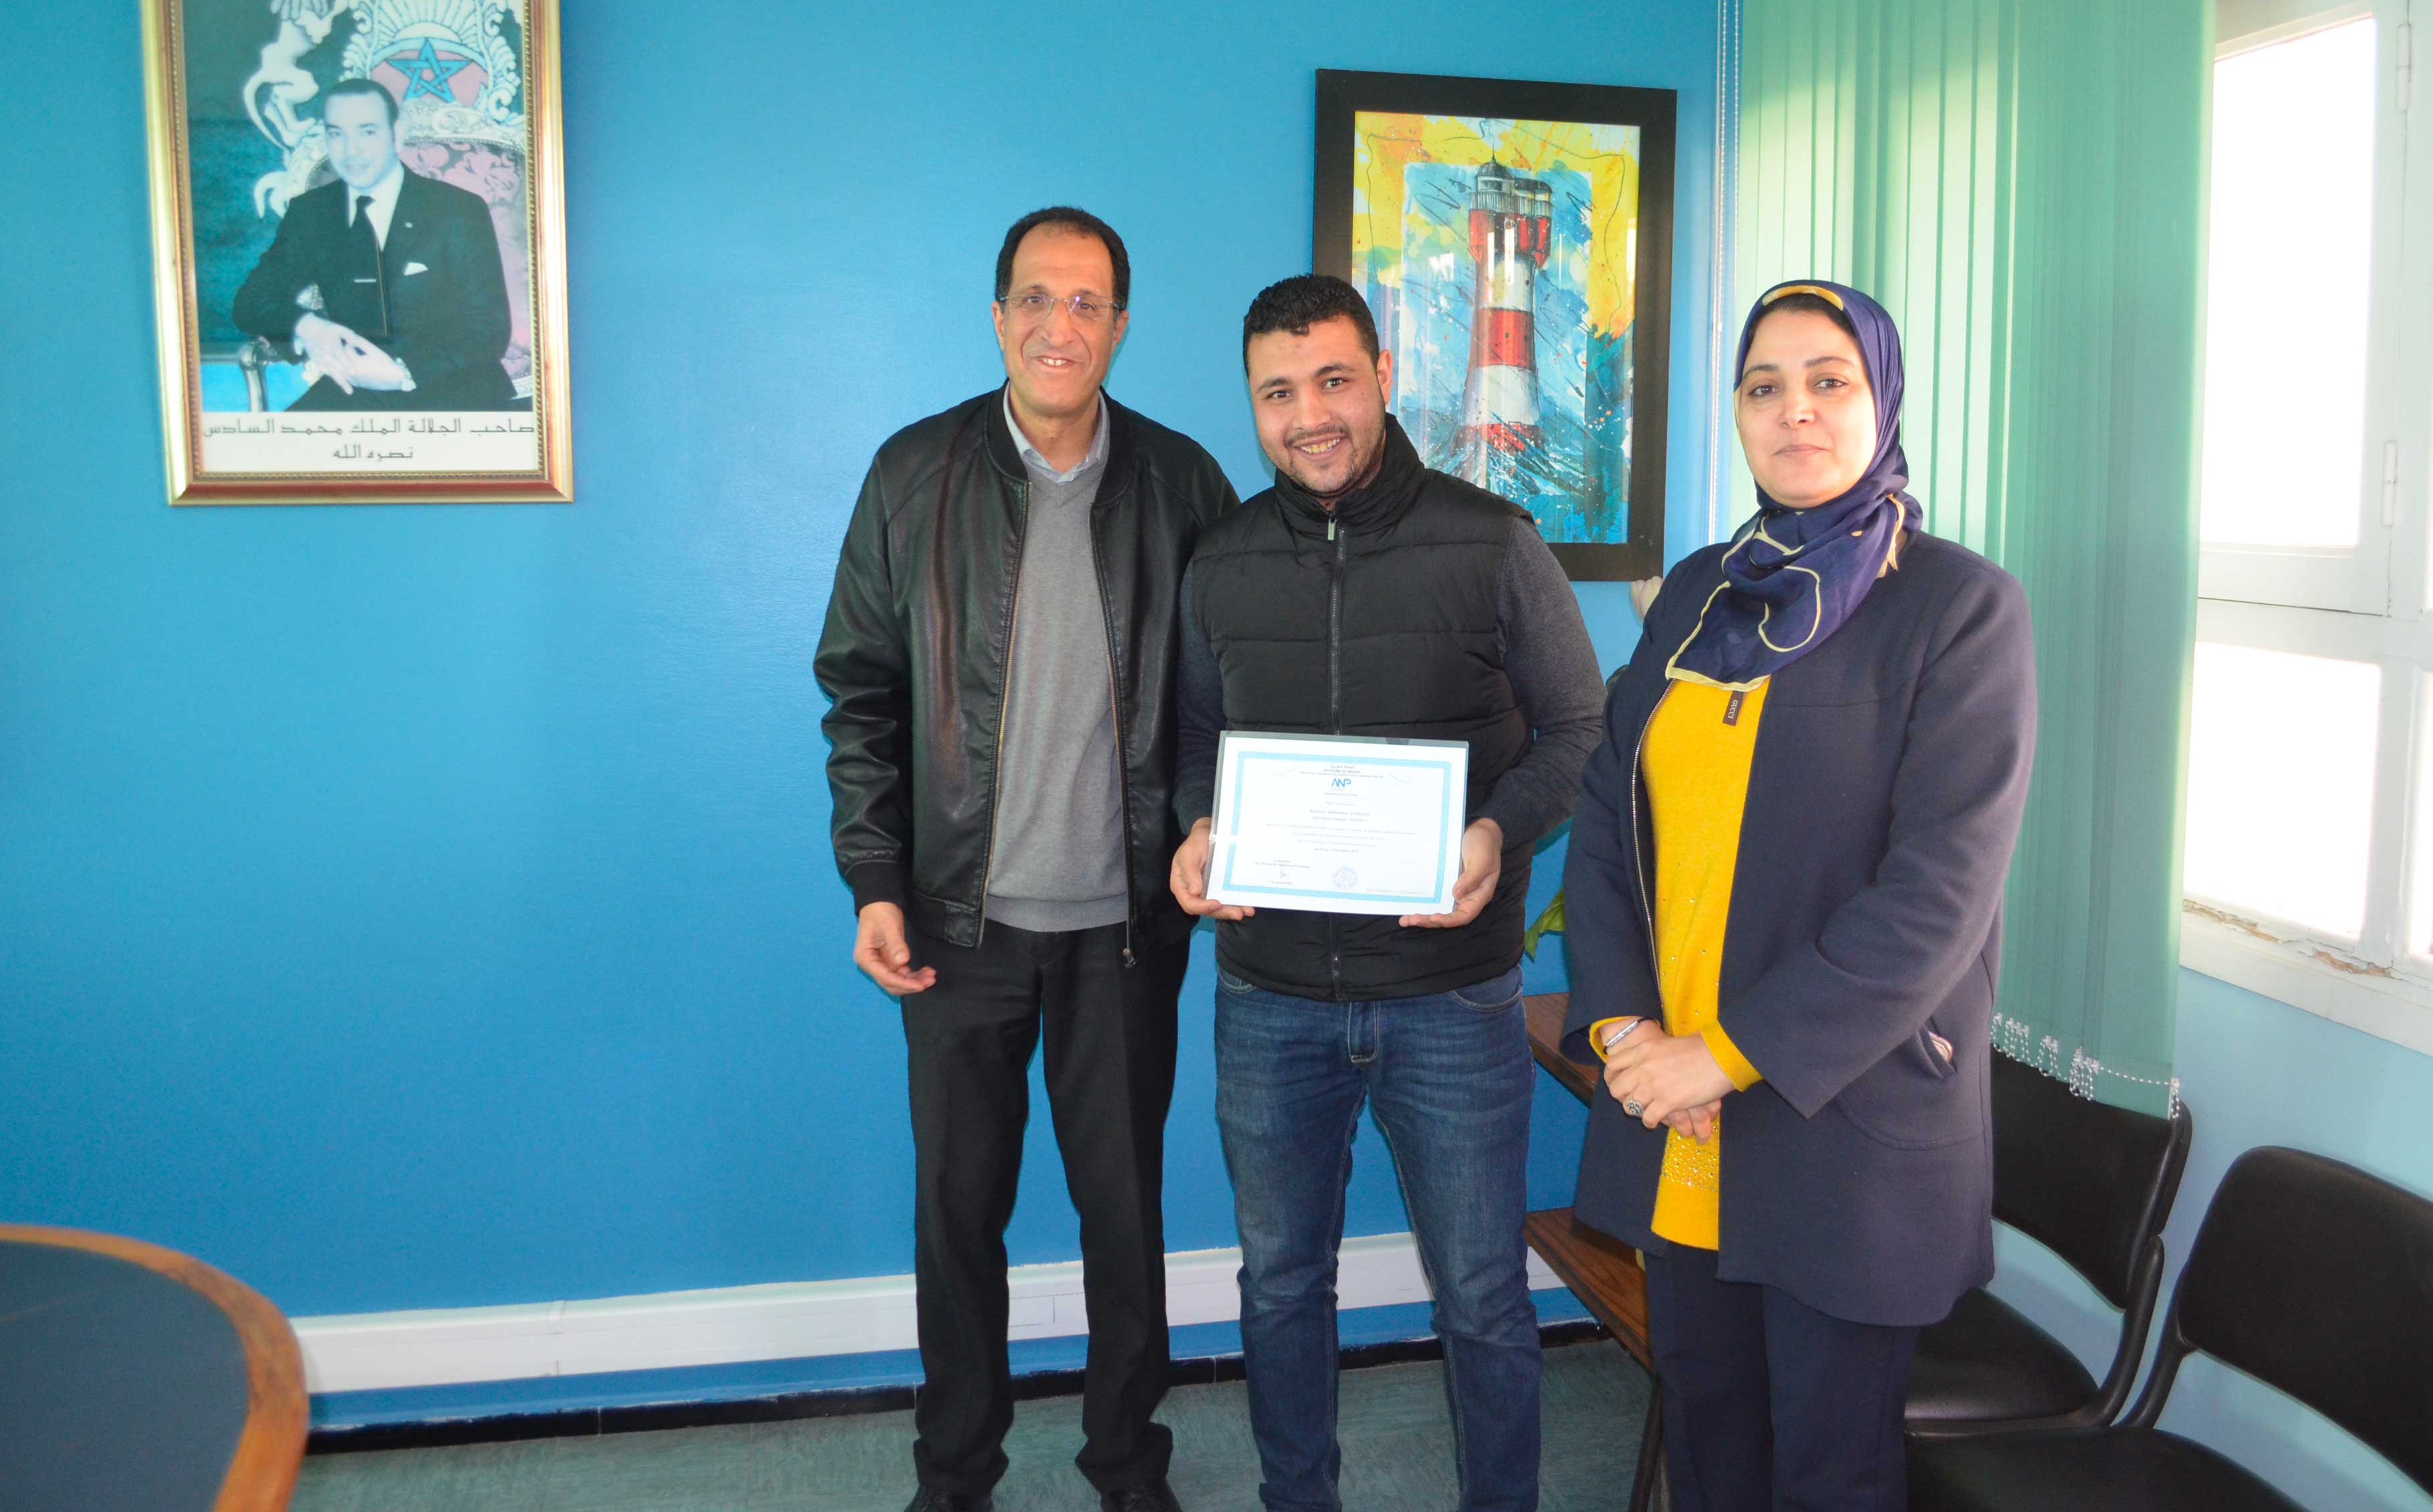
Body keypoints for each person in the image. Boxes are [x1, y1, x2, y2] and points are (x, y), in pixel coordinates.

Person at [1560, 280, 2037, 1512]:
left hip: (1838, 1124)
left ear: (1882, 399)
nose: (1796, 411)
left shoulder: (1956, 607)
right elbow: (1611, 824)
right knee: (1714, 1452)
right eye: (1764, 386)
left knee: (1831, 1473)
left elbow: (1933, 901)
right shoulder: (1698, 593)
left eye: (1830, 379)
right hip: (1679, 1113)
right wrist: (1622, 1031)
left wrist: (1719, 1055)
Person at [815, 208, 1238, 1512]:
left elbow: (1230, 697)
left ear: (1119, 324)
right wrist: (875, 880)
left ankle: (1128, 1465)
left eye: (1090, 302)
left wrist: (1218, 825)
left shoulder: (1184, 485)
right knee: (958, 1221)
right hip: (957, 931)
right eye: (1037, 299)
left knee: (1125, 1220)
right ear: (999, 315)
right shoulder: (913, 475)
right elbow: (860, 691)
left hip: (1126, 931)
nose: (1062, 326)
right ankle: (955, 1476)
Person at [1170, 274, 1604, 1512]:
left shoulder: (1493, 542)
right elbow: (1196, 738)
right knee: (1279, 1283)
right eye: (1277, 391)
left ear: (1381, 376)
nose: (1309, 413)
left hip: (1452, 1002)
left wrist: (1494, 830)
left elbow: (1579, 726)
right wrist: (1198, 825)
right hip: (1270, 999)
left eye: (1333, 379)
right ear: (1253, 405)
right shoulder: (1221, 560)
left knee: (1479, 1292)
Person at [231, 77, 520, 412]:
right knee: (277, 458)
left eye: (367, 132)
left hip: (454, 390)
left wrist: (402, 373)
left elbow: (488, 329)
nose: (350, 150)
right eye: (336, 133)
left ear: (396, 134)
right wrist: (306, 326)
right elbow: (251, 303)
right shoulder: (313, 213)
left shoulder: (456, 209)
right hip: (353, 391)